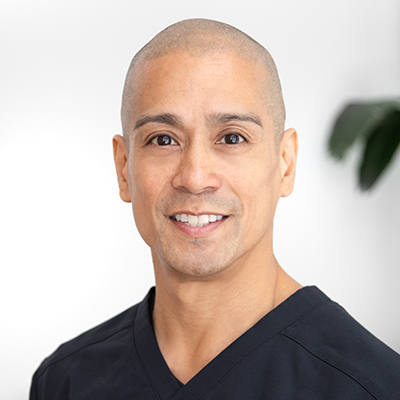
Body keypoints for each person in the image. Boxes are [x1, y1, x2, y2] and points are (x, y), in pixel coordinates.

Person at [30, 19, 400, 399]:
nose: (194, 176)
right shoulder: (65, 381)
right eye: (163, 139)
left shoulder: (373, 386)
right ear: (124, 168)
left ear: (285, 164)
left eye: (232, 137)